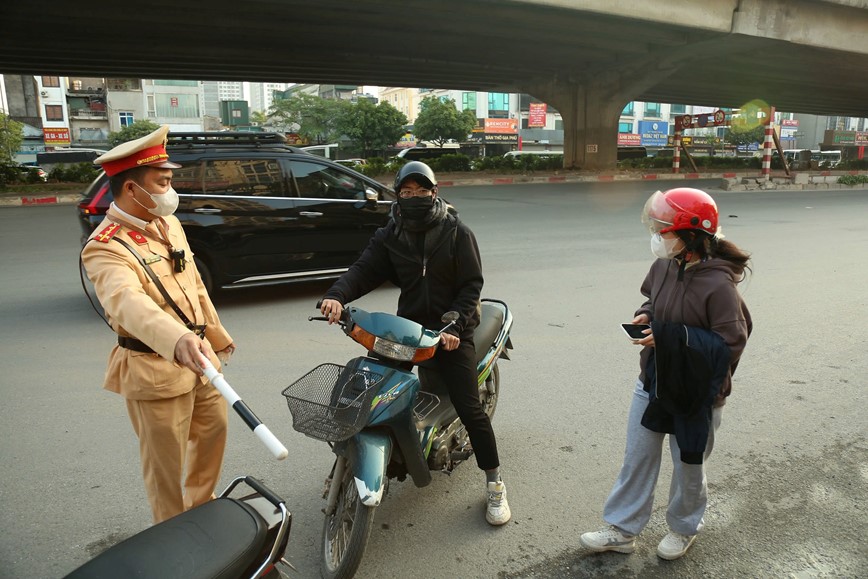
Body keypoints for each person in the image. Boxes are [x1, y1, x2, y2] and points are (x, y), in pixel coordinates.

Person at [319, 161, 511, 526]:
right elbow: (364, 269)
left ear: (434, 193)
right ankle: (353, 460)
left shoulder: (457, 233)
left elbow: (472, 286)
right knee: (370, 390)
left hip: (452, 330)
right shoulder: (391, 234)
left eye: (421, 191)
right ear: (398, 197)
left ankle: (495, 484)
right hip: (407, 330)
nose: (414, 198)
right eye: (406, 193)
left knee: (471, 411)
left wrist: (454, 322)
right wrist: (337, 295)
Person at [580, 187, 752, 560]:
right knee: (637, 457)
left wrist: (672, 338)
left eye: (664, 229)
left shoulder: (719, 284)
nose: (657, 236)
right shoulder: (664, 265)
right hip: (654, 379)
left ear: (690, 236)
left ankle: (683, 528)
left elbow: (730, 343)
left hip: (697, 393)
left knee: (689, 465)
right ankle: (622, 529)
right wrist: (647, 315)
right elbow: (651, 298)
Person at [81, 125, 235, 524]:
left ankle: (202, 509)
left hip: (201, 364)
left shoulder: (167, 224)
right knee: (165, 466)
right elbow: (127, 303)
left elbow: (194, 287)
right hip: (155, 370)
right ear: (132, 189)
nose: (171, 189)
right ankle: (171, 536)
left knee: (212, 437)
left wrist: (215, 340)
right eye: (163, 182)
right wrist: (178, 337)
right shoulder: (105, 247)